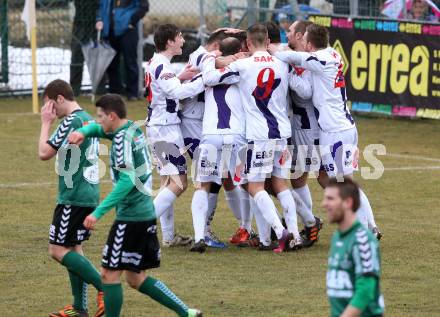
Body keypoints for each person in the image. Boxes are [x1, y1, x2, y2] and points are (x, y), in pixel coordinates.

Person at [68, 94, 203, 317]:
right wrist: (83, 131)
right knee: (135, 278)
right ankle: (186, 312)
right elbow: (99, 130)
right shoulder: (130, 128)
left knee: (109, 275)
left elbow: (127, 180)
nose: (98, 121)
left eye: (101, 117)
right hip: (144, 215)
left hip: (130, 219)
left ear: (112, 116)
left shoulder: (121, 140)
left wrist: (99, 212)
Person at [271, 23, 382, 240]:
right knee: (344, 182)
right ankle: (371, 227)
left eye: (302, 39)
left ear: (309, 43)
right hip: (345, 126)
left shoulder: (318, 59)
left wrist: (270, 53)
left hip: (335, 132)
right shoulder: (332, 54)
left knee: (341, 184)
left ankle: (359, 232)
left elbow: (288, 58)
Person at [201, 23, 304, 253]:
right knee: (279, 182)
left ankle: (281, 232)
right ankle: (294, 234)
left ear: (247, 43)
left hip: (259, 135)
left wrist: (212, 57)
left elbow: (209, 79)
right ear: (268, 42)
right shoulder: (282, 62)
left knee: (255, 186)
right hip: (282, 133)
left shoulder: (242, 65)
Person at [38, 79, 104, 317]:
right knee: (73, 248)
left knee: (56, 250)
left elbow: (44, 152)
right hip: (87, 192)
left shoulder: (71, 121)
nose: (48, 111)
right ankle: (79, 307)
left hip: (73, 195)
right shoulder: (86, 117)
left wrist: (45, 123)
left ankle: (105, 286)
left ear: (59, 99)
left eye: (49, 106)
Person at [145, 24, 204, 247]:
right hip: (165, 129)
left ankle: (168, 237)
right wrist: (204, 80)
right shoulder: (162, 66)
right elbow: (177, 92)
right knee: (180, 183)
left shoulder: (156, 64)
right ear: (169, 42)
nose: (182, 40)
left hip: (159, 126)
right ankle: (142, 227)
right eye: (179, 36)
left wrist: (180, 76)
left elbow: (164, 88)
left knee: (168, 181)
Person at [189, 36, 249, 252]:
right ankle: (248, 229)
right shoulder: (244, 69)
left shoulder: (208, 68)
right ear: (238, 51)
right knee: (247, 183)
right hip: (236, 135)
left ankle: (199, 237)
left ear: (218, 51)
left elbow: (201, 61)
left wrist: (214, 58)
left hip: (211, 134)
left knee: (203, 186)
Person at [323, 178, 384, 317]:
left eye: (330, 199)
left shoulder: (363, 241)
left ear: (348, 202)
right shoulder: (337, 237)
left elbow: (366, 289)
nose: (324, 204)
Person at [96, 0, 149, 100]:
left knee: (130, 62)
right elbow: (100, 6)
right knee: (111, 63)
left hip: (128, 30)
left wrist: (131, 21)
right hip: (109, 30)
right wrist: (99, 19)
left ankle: (132, 93)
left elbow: (143, 7)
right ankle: (114, 92)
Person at [70, 0, 100, 96]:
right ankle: (74, 89)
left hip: (95, 23)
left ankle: (99, 88)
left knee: (96, 57)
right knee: (76, 56)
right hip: (79, 24)